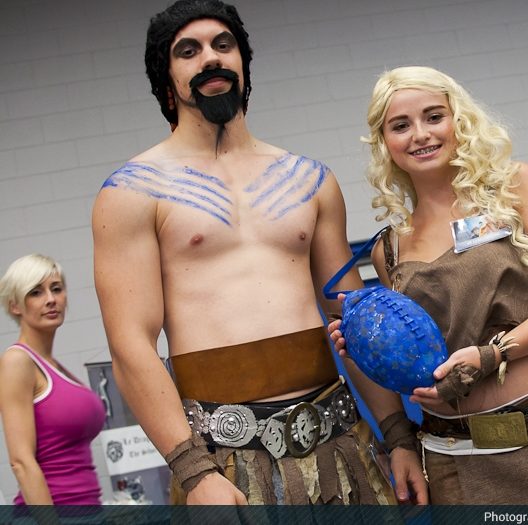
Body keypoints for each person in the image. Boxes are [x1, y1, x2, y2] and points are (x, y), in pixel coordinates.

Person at [92, 0, 402, 505]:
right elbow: (130, 344)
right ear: (166, 78)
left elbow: (354, 316)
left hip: (340, 445)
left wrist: (398, 433)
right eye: (188, 51)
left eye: (223, 44)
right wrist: (194, 471)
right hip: (222, 461)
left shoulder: (309, 179)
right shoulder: (133, 191)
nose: (210, 58)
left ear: (243, 62)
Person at [332, 66, 528, 504]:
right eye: (400, 125)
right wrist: (366, 345)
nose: (420, 134)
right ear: (384, 143)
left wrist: (493, 355)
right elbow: (427, 358)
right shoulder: (388, 249)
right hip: (453, 457)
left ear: (460, 120)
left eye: (434, 116)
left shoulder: (514, 188)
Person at [0, 254, 105, 506]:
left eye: (56, 289)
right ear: (15, 306)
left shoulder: (55, 367)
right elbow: (21, 462)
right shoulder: (17, 361)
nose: (50, 299)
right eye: (36, 292)